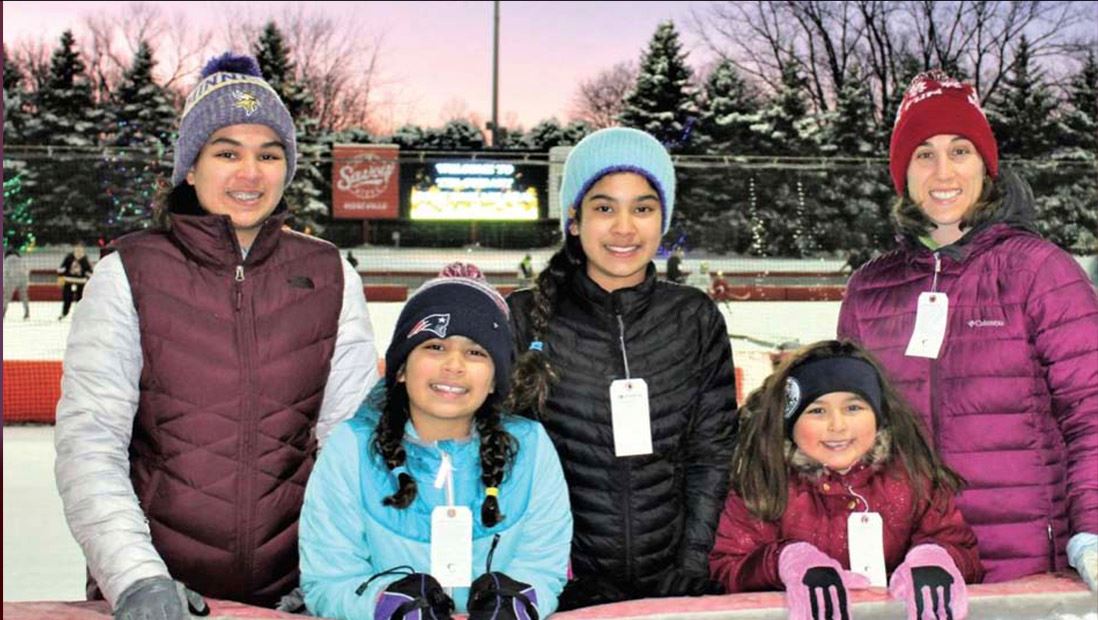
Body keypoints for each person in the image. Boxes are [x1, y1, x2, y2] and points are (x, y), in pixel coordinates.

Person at [54, 52, 379, 618]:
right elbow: (91, 444)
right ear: (190, 166)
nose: (250, 174)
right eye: (227, 152)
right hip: (161, 593)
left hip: (296, 591)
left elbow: (351, 444)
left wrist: (338, 569)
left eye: (269, 154)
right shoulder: (129, 271)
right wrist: (136, 579)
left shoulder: (329, 273)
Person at [837, 70, 1098, 589]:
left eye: (960, 150)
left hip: (1027, 570)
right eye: (923, 153)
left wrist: (1092, 533)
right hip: (912, 573)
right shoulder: (868, 290)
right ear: (903, 172)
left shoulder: (1038, 273)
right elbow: (847, 438)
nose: (942, 171)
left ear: (985, 164)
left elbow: (1092, 411)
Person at [506, 127, 737, 609]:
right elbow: (501, 457)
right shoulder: (524, 318)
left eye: (643, 208)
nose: (624, 228)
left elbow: (711, 453)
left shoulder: (693, 317)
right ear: (575, 219)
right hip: (561, 586)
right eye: (605, 208)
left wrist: (693, 562)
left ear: (663, 217)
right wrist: (556, 572)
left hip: (673, 585)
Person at [299, 263, 571, 619]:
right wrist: (384, 606)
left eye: (476, 352)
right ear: (400, 367)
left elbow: (542, 565)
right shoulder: (350, 449)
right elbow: (329, 579)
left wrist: (520, 602)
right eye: (434, 347)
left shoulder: (530, 448)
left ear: (494, 379)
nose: (454, 365)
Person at [710, 340, 982, 620]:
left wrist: (936, 558)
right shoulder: (766, 482)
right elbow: (727, 568)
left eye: (853, 408)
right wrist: (785, 560)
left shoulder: (914, 477)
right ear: (789, 421)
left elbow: (963, 551)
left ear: (878, 414)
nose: (837, 426)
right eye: (817, 411)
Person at [57, 242, 93, 319]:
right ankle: (64, 313)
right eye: (77, 248)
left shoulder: (85, 259)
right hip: (68, 281)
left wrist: (88, 278)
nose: (78, 250)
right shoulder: (69, 257)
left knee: (80, 300)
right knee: (67, 298)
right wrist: (60, 277)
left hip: (81, 282)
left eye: (80, 249)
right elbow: (62, 268)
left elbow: (89, 271)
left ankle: (80, 315)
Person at [4, 247, 31, 319]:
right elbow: (27, 270)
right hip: (23, 279)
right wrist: (27, 282)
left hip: (11, 279)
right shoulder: (21, 260)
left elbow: (5, 272)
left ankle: (3, 311)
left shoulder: (6, 260)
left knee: (6, 297)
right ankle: (27, 311)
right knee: (24, 296)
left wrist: (5, 284)